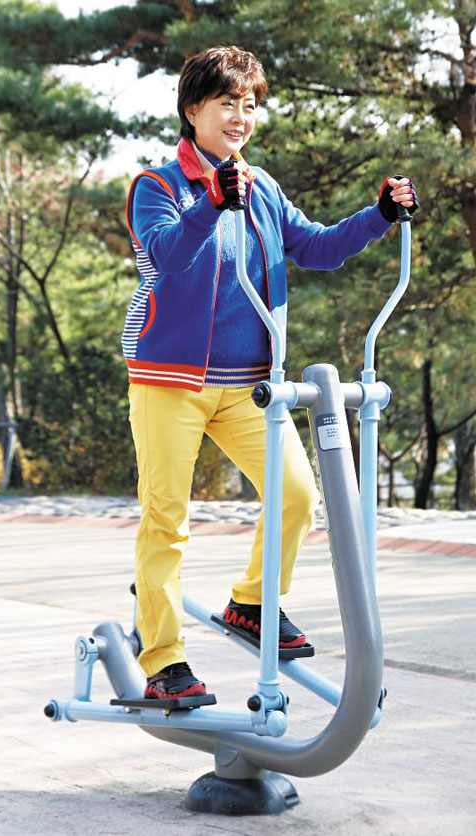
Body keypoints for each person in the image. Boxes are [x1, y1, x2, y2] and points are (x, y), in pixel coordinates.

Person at [122, 45, 418, 702]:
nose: (240, 116)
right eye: (227, 102)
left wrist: (379, 216)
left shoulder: (263, 190)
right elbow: (167, 254)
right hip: (170, 382)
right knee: (166, 518)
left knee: (297, 497)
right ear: (192, 109)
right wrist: (211, 202)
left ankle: (253, 603)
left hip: (248, 385)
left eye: (250, 104)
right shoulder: (157, 187)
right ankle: (164, 661)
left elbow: (317, 248)